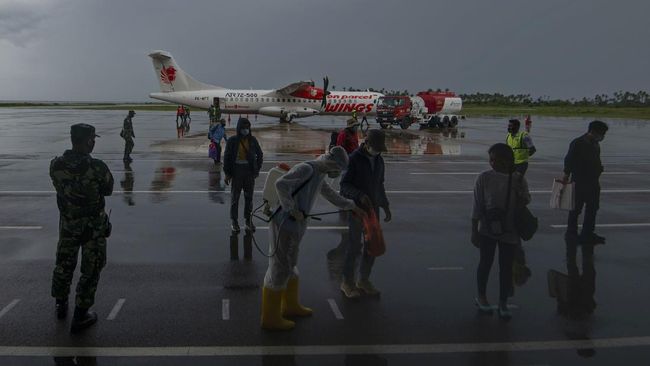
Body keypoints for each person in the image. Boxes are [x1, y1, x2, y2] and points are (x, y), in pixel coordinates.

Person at [261, 146, 365, 330]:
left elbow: (331, 194)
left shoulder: (319, 173)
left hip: (296, 224)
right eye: (338, 169)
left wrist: (352, 206)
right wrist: (291, 209)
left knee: (290, 264)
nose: (336, 173)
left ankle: (290, 306)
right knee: (280, 266)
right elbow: (281, 185)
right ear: (332, 163)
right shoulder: (307, 169)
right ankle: (270, 317)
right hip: (285, 222)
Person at [50, 123, 114, 333]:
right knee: (91, 268)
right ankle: (80, 314)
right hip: (92, 229)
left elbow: (59, 186)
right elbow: (108, 189)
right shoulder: (97, 167)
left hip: (68, 225)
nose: (94, 142)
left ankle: (60, 304)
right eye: (92, 139)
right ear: (88, 141)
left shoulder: (56, 166)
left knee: (64, 264)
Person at [471, 143, 531, 320]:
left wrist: (520, 195)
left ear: (507, 160)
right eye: (490, 159)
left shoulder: (518, 179)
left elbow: (527, 199)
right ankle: (482, 297)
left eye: (495, 159)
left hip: (510, 230)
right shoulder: (484, 178)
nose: (492, 163)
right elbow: (477, 205)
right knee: (485, 264)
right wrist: (474, 230)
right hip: (488, 229)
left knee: (506, 268)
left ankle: (503, 301)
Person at [340, 129, 392, 298]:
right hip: (357, 210)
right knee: (354, 247)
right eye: (375, 147)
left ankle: (363, 279)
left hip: (373, 210)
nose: (377, 151)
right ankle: (347, 282)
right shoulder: (354, 160)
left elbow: (380, 185)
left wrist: (385, 205)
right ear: (367, 144)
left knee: (372, 247)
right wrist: (359, 196)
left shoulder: (379, 160)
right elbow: (344, 186)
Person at [563, 120, 608, 245]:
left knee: (592, 208)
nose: (602, 136)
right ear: (593, 131)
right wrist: (566, 175)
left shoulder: (595, 144)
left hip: (593, 182)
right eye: (601, 133)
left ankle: (588, 233)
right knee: (575, 209)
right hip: (579, 181)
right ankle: (571, 234)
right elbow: (569, 160)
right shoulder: (578, 143)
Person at [224, 117, 263, 233]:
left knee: (249, 198)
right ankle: (234, 221)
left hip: (249, 172)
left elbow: (260, 155)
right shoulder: (232, 141)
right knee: (235, 198)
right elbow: (227, 157)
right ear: (239, 128)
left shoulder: (252, 140)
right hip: (237, 171)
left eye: (247, 128)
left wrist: (257, 169)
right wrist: (227, 174)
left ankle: (248, 220)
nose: (245, 130)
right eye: (243, 128)